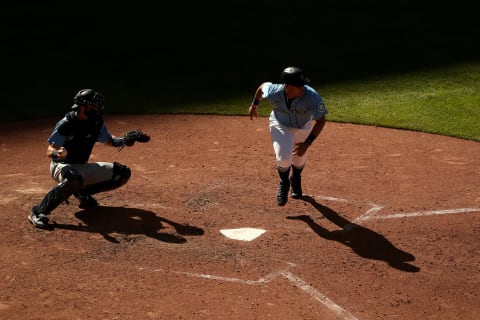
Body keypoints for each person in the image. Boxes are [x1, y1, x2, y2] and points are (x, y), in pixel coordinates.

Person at [28, 89, 149, 228]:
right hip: (61, 166)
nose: (98, 107)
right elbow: (50, 149)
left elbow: (109, 140)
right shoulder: (67, 123)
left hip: (82, 167)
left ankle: (80, 192)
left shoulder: (96, 122)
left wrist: (124, 141)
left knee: (122, 173)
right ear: (83, 105)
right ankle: (37, 212)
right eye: (94, 104)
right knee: (73, 178)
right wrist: (58, 153)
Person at [248, 67, 328, 206]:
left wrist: (307, 143)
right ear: (287, 86)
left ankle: (296, 177)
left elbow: (321, 120)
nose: (302, 88)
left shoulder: (312, 96)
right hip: (280, 124)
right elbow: (262, 87)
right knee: (283, 158)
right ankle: (284, 183)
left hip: (303, 126)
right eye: (298, 85)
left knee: (299, 158)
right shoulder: (274, 91)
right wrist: (254, 105)